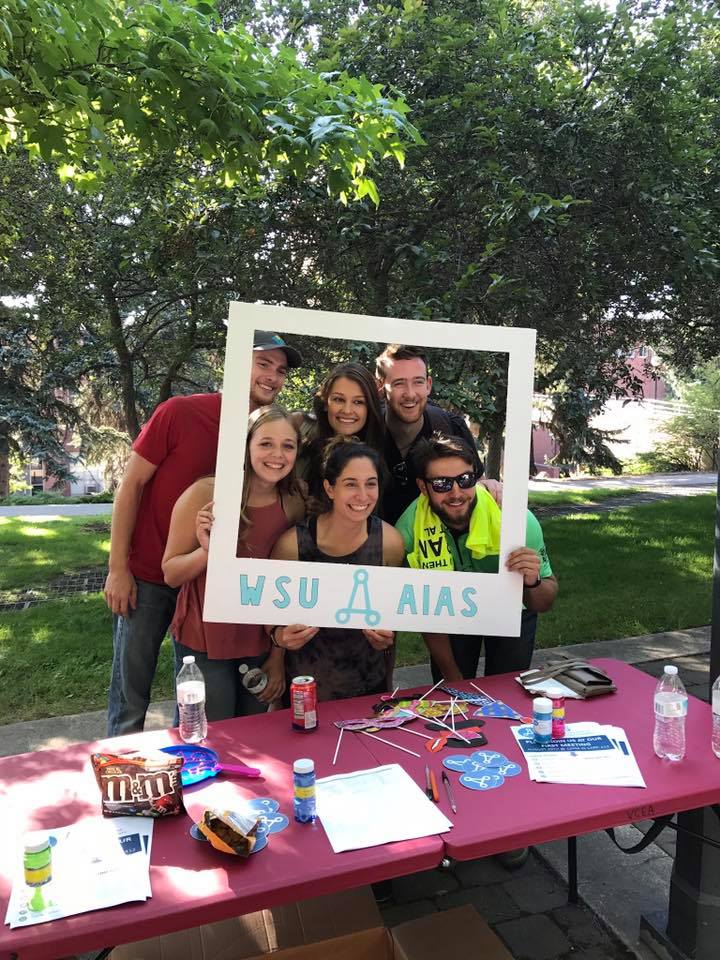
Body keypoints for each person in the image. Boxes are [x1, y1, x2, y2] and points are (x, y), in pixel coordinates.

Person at [104, 330, 302, 735]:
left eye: (280, 370)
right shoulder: (180, 412)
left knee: (194, 699)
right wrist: (117, 567)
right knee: (131, 695)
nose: (273, 376)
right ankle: (119, 780)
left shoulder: (269, 435)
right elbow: (131, 485)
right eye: (263, 363)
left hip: (213, 585)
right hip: (150, 577)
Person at [161, 406, 305, 720]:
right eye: (266, 443)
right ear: (246, 446)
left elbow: (290, 584)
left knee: (252, 732)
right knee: (210, 733)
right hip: (203, 638)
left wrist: (277, 655)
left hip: (260, 640)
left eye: (288, 445)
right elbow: (171, 573)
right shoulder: (206, 494)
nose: (277, 454)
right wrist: (207, 553)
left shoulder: (294, 502)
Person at [395, 433, 558, 683]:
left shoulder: (517, 522)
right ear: (422, 487)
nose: (456, 493)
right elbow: (426, 613)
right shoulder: (408, 530)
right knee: (450, 693)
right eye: (441, 483)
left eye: (465, 479)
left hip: (511, 607)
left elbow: (544, 602)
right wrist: (452, 677)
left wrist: (532, 582)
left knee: (507, 690)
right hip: (448, 613)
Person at [269, 440, 405, 701]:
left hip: (368, 684)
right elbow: (271, 614)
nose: (363, 496)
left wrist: (387, 639)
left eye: (371, 483)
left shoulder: (390, 542)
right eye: (351, 484)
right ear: (330, 488)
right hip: (304, 686)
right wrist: (277, 645)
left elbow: (391, 614)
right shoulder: (293, 545)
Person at [374, 343, 499, 524]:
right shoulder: (364, 432)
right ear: (380, 386)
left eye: (418, 382)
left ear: (428, 385)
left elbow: (475, 485)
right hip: (376, 546)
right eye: (399, 383)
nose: (410, 394)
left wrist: (489, 487)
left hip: (439, 548)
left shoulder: (452, 428)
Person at [296, 362, 386, 506]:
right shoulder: (300, 428)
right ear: (325, 402)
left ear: (370, 407)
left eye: (358, 402)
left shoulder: (381, 450)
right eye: (339, 399)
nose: (347, 410)